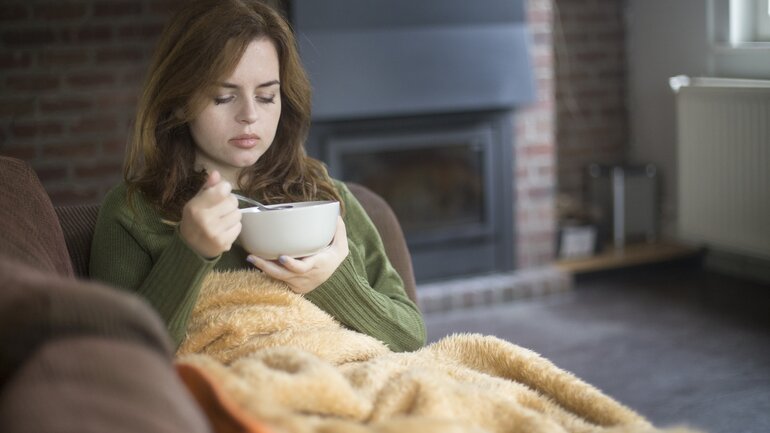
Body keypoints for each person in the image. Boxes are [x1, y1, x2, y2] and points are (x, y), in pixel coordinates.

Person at [89, 0, 425, 352]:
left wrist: (329, 281)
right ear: (179, 101)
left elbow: (410, 335)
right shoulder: (135, 212)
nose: (249, 115)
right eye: (223, 97)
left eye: (266, 96)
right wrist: (189, 252)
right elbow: (120, 358)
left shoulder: (324, 197)